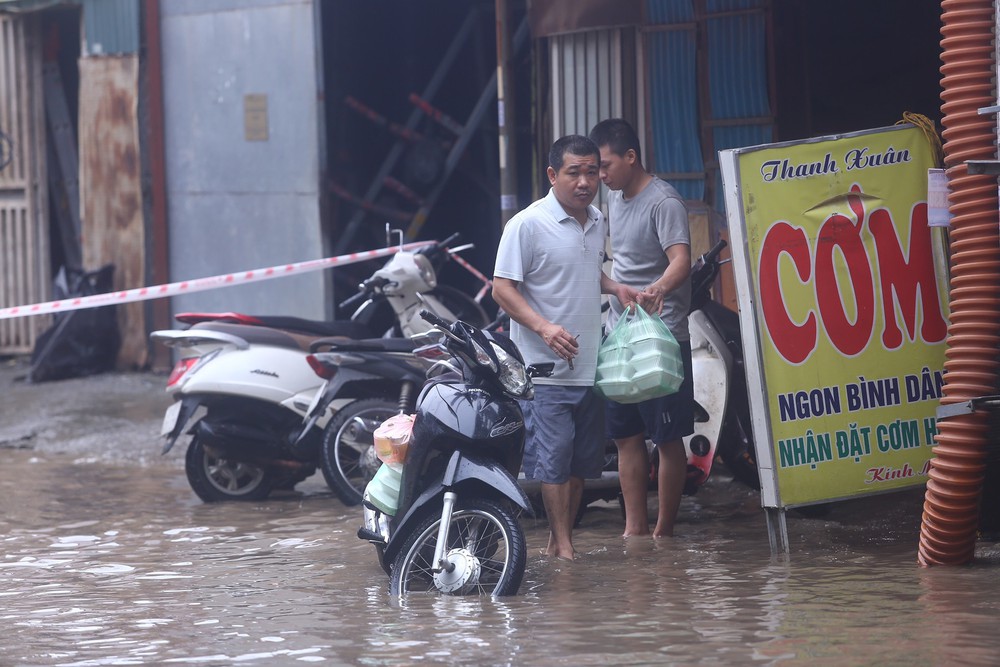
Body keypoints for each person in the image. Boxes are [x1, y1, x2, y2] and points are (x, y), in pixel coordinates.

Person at [493, 134, 638, 560]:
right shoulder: (527, 224)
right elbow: (502, 288)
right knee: (554, 461)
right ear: (553, 175)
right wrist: (544, 328)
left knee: (582, 464)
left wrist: (616, 288)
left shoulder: (596, 220)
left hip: (591, 366)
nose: (584, 181)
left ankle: (562, 543)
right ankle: (563, 545)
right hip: (545, 370)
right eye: (574, 172)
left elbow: (587, 273)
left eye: (592, 172)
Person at [589, 118, 695, 538]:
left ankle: (663, 531)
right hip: (621, 336)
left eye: (605, 165)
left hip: (661, 337)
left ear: (631, 157)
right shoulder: (614, 199)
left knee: (667, 438)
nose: (600, 176)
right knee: (626, 437)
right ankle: (634, 531)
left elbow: (682, 260)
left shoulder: (663, 201)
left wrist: (657, 289)